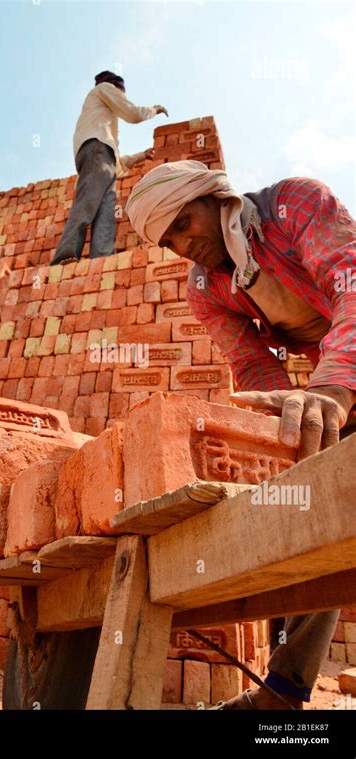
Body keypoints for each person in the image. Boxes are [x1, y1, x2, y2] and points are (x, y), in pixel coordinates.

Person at [126, 159, 356, 710]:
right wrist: (278, 440)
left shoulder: (292, 206)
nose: (183, 245)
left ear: (215, 197)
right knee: (297, 509)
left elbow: (352, 285)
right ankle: (283, 690)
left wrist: (332, 391)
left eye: (184, 224)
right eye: (169, 241)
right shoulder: (207, 288)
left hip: (341, 367)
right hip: (334, 376)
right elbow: (254, 368)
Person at [50, 71, 168, 265]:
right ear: (117, 88)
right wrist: (154, 109)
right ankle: (64, 255)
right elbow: (133, 113)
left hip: (102, 156)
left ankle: (101, 261)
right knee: (87, 202)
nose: (123, 97)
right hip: (95, 150)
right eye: (122, 93)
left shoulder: (103, 123)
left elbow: (115, 163)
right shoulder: (104, 89)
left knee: (105, 212)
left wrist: (142, 156)